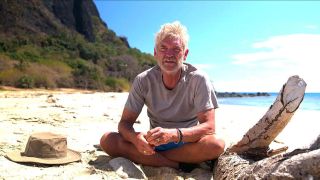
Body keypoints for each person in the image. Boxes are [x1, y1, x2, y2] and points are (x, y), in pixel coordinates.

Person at [100, 21, 225, 172]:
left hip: (187, 142)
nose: (169, 55)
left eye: (176, 49)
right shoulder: (143, 80)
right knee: (107, 140)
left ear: (185, 54)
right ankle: (178, 164)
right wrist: (135, 138)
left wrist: (174, 134)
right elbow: (125, 123)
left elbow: (209, 127)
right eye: (163, 48)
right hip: (154, 142)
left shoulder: (198, 79)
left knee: (216, 144)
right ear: (155, 53)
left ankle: (156, 159)